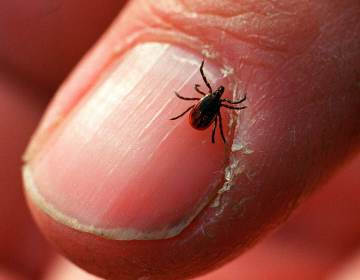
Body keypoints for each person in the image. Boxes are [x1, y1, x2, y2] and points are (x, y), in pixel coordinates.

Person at [1, 0, 359, 279]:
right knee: (211, 126)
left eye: (216, 95)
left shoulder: (211, 99)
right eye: (215, 95)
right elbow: (216, 105)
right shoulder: (216, 103)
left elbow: (206, 100)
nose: (215, 95)